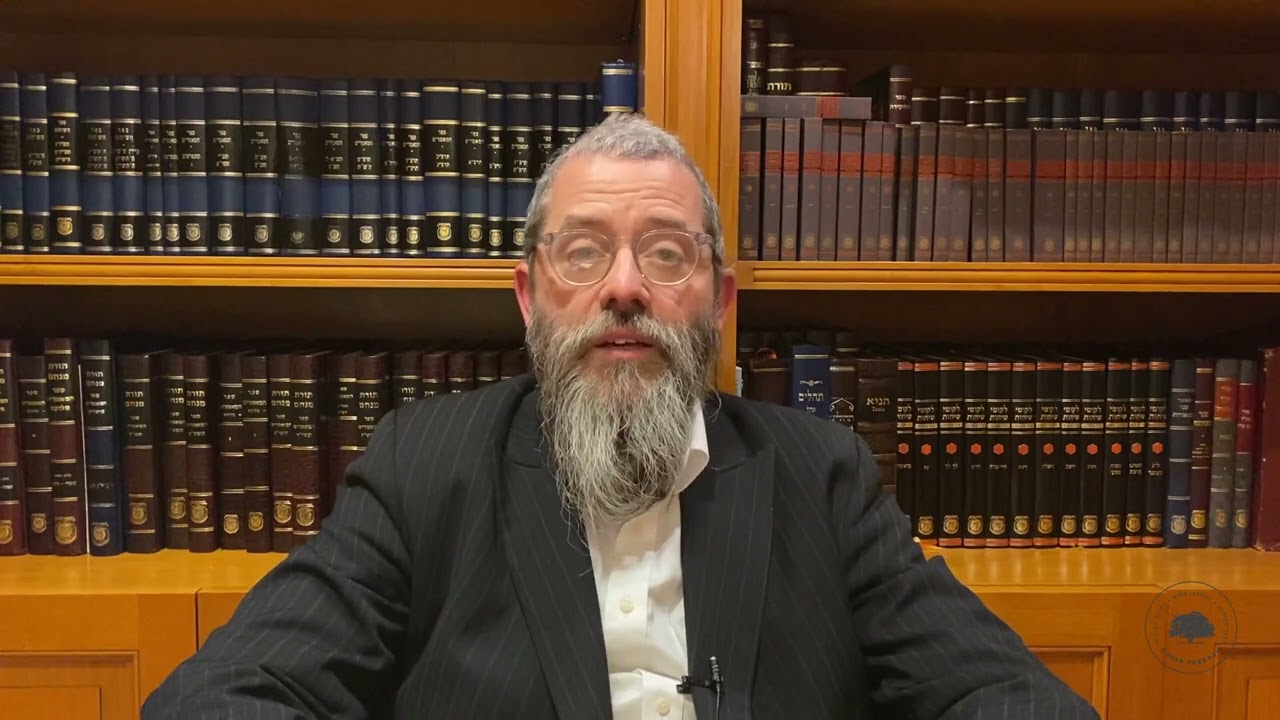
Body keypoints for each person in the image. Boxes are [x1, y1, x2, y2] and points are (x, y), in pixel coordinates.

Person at [142, 113, 1098, 719]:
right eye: (584, 252)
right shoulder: (423, 466)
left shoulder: (823, 476)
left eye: (667, 254)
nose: (626, 287)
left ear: (719, 303)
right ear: (530, 298)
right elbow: (224, 696)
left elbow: (1003, 692)